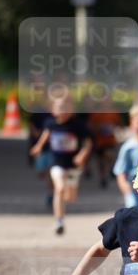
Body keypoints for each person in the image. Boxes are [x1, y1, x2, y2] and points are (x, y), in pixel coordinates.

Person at [29, 89, 92, 235]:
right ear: (53, 110)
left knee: (70, 196)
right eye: (59, 107)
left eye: (66, 107)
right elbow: (46, 135)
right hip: (57, 164)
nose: (63, 110)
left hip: (74, 166)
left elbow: (88, 143)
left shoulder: (77, 125)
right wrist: (38, 147)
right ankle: (59, 221)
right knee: (60, 189)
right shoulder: (50, 123)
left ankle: (66, 198)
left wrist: (82, 155)